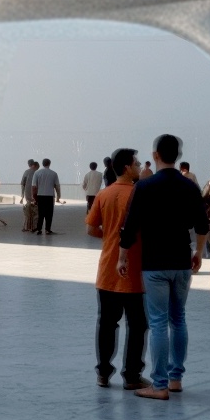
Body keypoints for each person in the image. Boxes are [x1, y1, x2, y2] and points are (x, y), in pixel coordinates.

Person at [119, 133, 206, 399]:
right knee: (178, 319)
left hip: (155, 264)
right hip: (181, 261)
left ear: (156, 155)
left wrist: (122, 258)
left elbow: (130, 227)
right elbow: (202, 225)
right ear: (178, 156)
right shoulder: (190, 186)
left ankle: (159, 385)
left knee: (157, 322)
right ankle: (176, 378)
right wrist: (198, 252)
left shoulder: (144, 187)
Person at [85, 148, 147, 389]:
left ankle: (103, 372)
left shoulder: (104, 194)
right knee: (138, 325)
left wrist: (110, 237)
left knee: (107, 323)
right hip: (135, 271)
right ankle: (131, 374)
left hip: (108, 269)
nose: (140, 167)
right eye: (137, 164)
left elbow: (90, 229)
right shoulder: (139, 194)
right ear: (126, 168)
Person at [31, 157, 61, 237]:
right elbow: (57, 186)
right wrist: (58, 196)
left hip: (40, 195)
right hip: (50, 196)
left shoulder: (37, 173)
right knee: (49, 213)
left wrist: (34, 197)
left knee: (41, 213)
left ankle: (39, 229)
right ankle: (47, 229)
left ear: (42, 163)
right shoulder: (54, 173)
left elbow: (34, 186)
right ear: (49, 164)